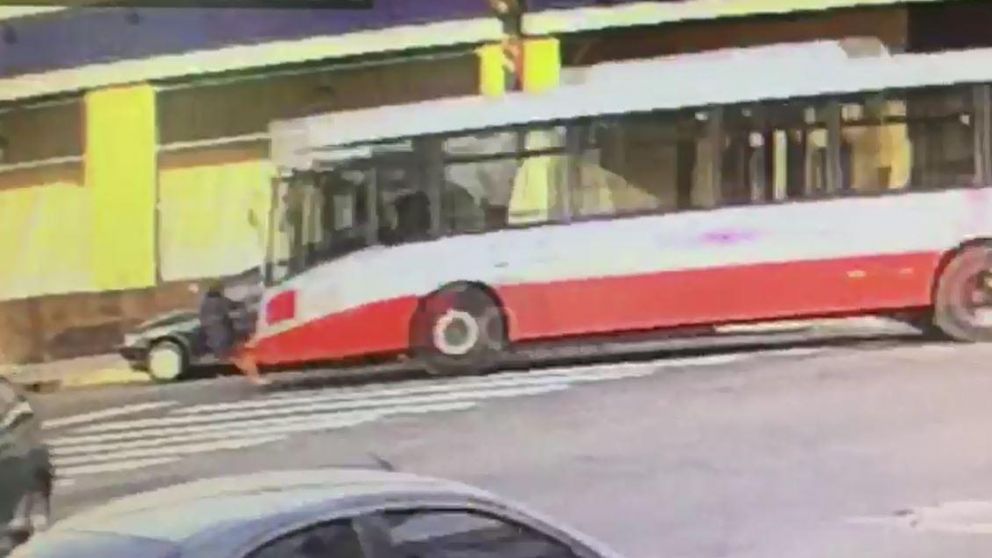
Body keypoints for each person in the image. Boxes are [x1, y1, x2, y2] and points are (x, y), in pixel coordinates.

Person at [198, 280, 270, 386]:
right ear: (219, 290)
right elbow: (235, 307)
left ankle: (253, 378)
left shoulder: (205, 303)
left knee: (237, 358)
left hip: (215, 338)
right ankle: (255, 378)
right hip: (225, 336)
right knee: (243, 356)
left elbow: (204, 321)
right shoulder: (220, 301)